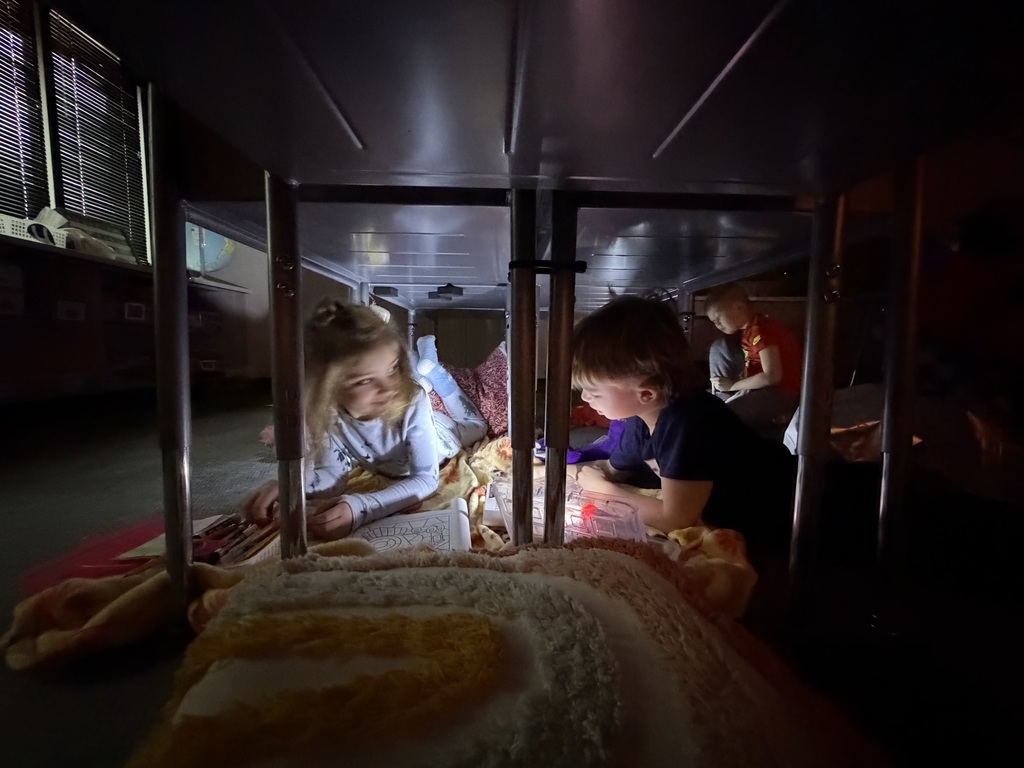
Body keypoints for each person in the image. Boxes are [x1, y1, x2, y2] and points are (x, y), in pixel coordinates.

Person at [242, 299, 487, 539]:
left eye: (393, 369)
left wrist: (362, 507)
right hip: (403, 445)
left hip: (440, 437)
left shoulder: (412, 398)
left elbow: (425, 479)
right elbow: (333, 476)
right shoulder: (329, 414)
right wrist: (292, 488)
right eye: (365, 380)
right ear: (330, 385)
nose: (390, 388)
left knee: (478, 426)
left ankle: (436, 373)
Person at [570, 296, 793, 545]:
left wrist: (602, 492)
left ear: (646, 393)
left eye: (594, 391)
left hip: (793, 504)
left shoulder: (686, 421)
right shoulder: (639, 419)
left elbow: (676, 518)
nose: (585, 397)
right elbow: (612, 470)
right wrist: (555, 471)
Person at [705, 282, 803, 433]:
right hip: (762, 389)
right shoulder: (749, 330)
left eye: (718, 319)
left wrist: (733, 385)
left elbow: (772, 376)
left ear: (739, 307)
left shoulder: (761, 331)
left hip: (779, 394)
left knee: (720, 418)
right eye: (714, 322)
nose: (717, 325)